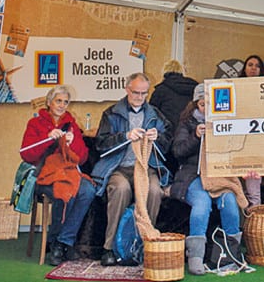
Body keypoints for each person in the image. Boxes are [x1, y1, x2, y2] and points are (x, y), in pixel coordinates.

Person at [91, 74, 171, 266]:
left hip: (146, 167)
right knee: (120, 189)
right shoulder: (111, 113)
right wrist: (125, 136)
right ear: (127, 89)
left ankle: (146, 243)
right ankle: (109, 248)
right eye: (136, 92)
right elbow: (101, 145)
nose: (140, 97)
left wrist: (157, 137)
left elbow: (168, 144)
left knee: (153, 190)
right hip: (118, 167)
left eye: (144, 93)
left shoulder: (155, 115)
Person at [171, 83, 247, 275]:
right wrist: (195, 137)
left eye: (210, 105)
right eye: (203, 104)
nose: (206, 109)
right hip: (192, 176)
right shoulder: (186, 123)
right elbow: (178, 151)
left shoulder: (225, 123)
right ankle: (195, 257)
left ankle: (232, 254)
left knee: (229, 202)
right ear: (196, 104)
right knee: (202, 203)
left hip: (218, 175)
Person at [19, 87, 95, 265]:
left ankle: (62, 242)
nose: (62, 105)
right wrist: (47, 139)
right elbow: (26, 154)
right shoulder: (35, 124)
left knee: (88, 191)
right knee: (64, 191)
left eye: (65, 102)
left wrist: (72, 142)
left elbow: (82, 157)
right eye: (58, 101)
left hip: (68, 172)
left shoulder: (72, 124)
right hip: (44, 175)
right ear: (49, 102)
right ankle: (58, 244)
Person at [237, 55, 264, 206]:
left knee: (253, 184)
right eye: (250, 64)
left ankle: (254, 223)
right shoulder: (234, 88)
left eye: (257, 65)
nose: (253, 68)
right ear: (244, 68)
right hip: (237, 142)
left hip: (257, 144)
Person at [149, 59, 199, 136]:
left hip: (167, 134)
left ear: (164, 71)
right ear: (182, 71)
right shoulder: (194, 88)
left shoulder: (160, 90)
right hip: (189, 134)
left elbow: (151, 114)